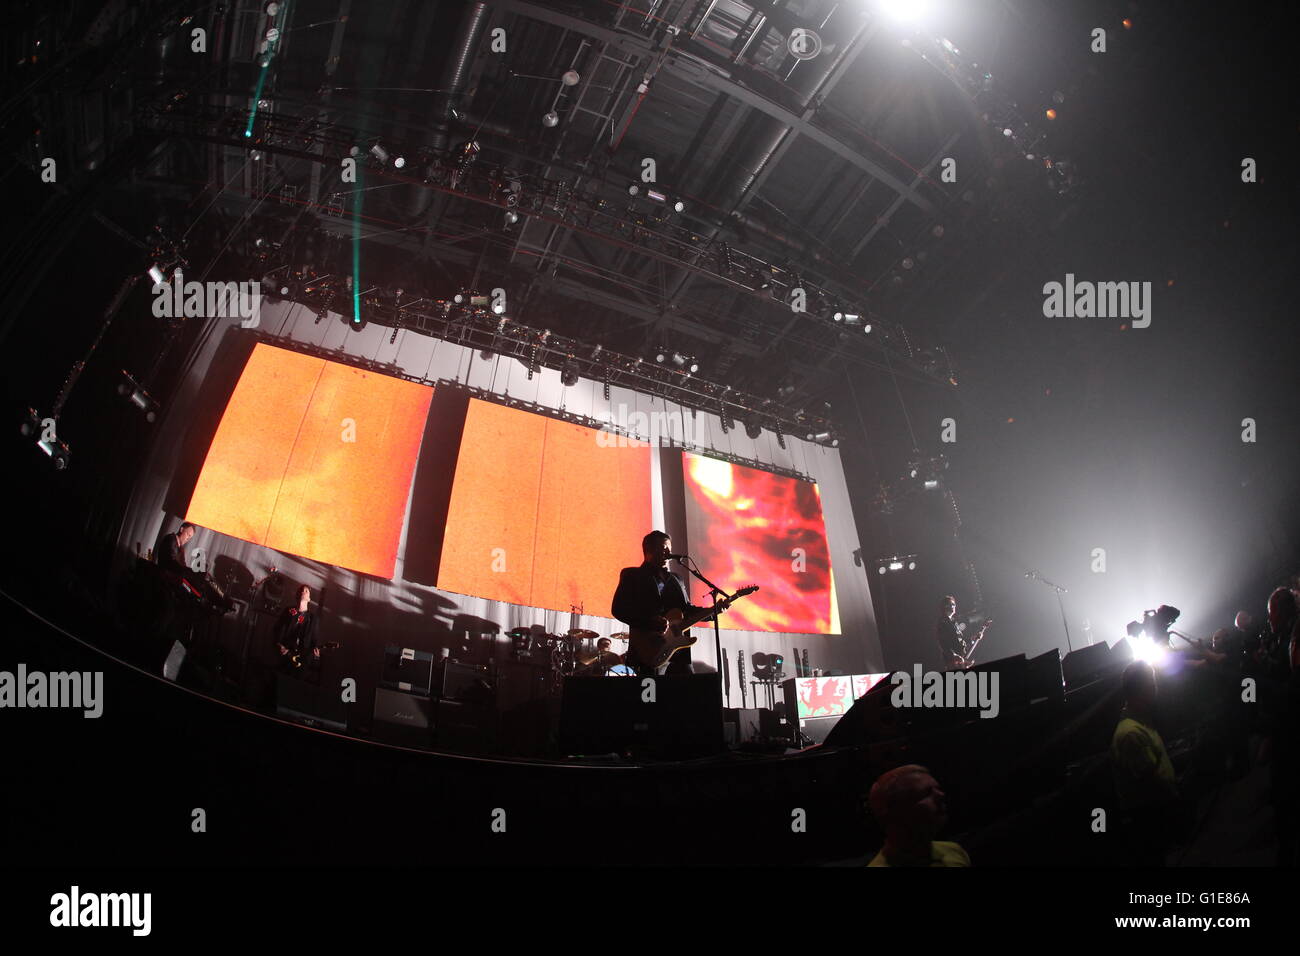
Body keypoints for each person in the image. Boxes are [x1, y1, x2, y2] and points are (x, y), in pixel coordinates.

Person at [1111, 660, 1181, 864]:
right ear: (1142, 689)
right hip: (1149, 819)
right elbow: (1150, 781)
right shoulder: (1131, 734)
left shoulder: (1140, 724)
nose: (1155, 686)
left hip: (1155, 814)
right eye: (1152, 682)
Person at [611, 531, 706, 676]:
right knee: (651, 696)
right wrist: (649, 622)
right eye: (663, 548)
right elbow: (618, 609)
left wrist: (714, 611)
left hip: (678, 654)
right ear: (648, 550)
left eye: (669, 548)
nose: (668, 552)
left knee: (688, 695)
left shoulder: (677, 579)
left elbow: (687, 610)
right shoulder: (632, 574)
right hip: (648, 651)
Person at [865, 764, 970, 867]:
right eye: (925, 793)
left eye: (938, 789)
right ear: (895, 811)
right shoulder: (952, 853)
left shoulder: (954, 851)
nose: (941, 795)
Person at [274, 585, 319, 676]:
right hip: (284, 657)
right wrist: (280, 646)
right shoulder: (288, 611)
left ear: (309, 599)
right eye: (301, 590)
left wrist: (316, 656)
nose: (303, 591)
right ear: (297, 595)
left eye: (306, 591)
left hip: (301, 661)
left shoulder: (312, 618)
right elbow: (277, 630)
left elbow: (314, 641)